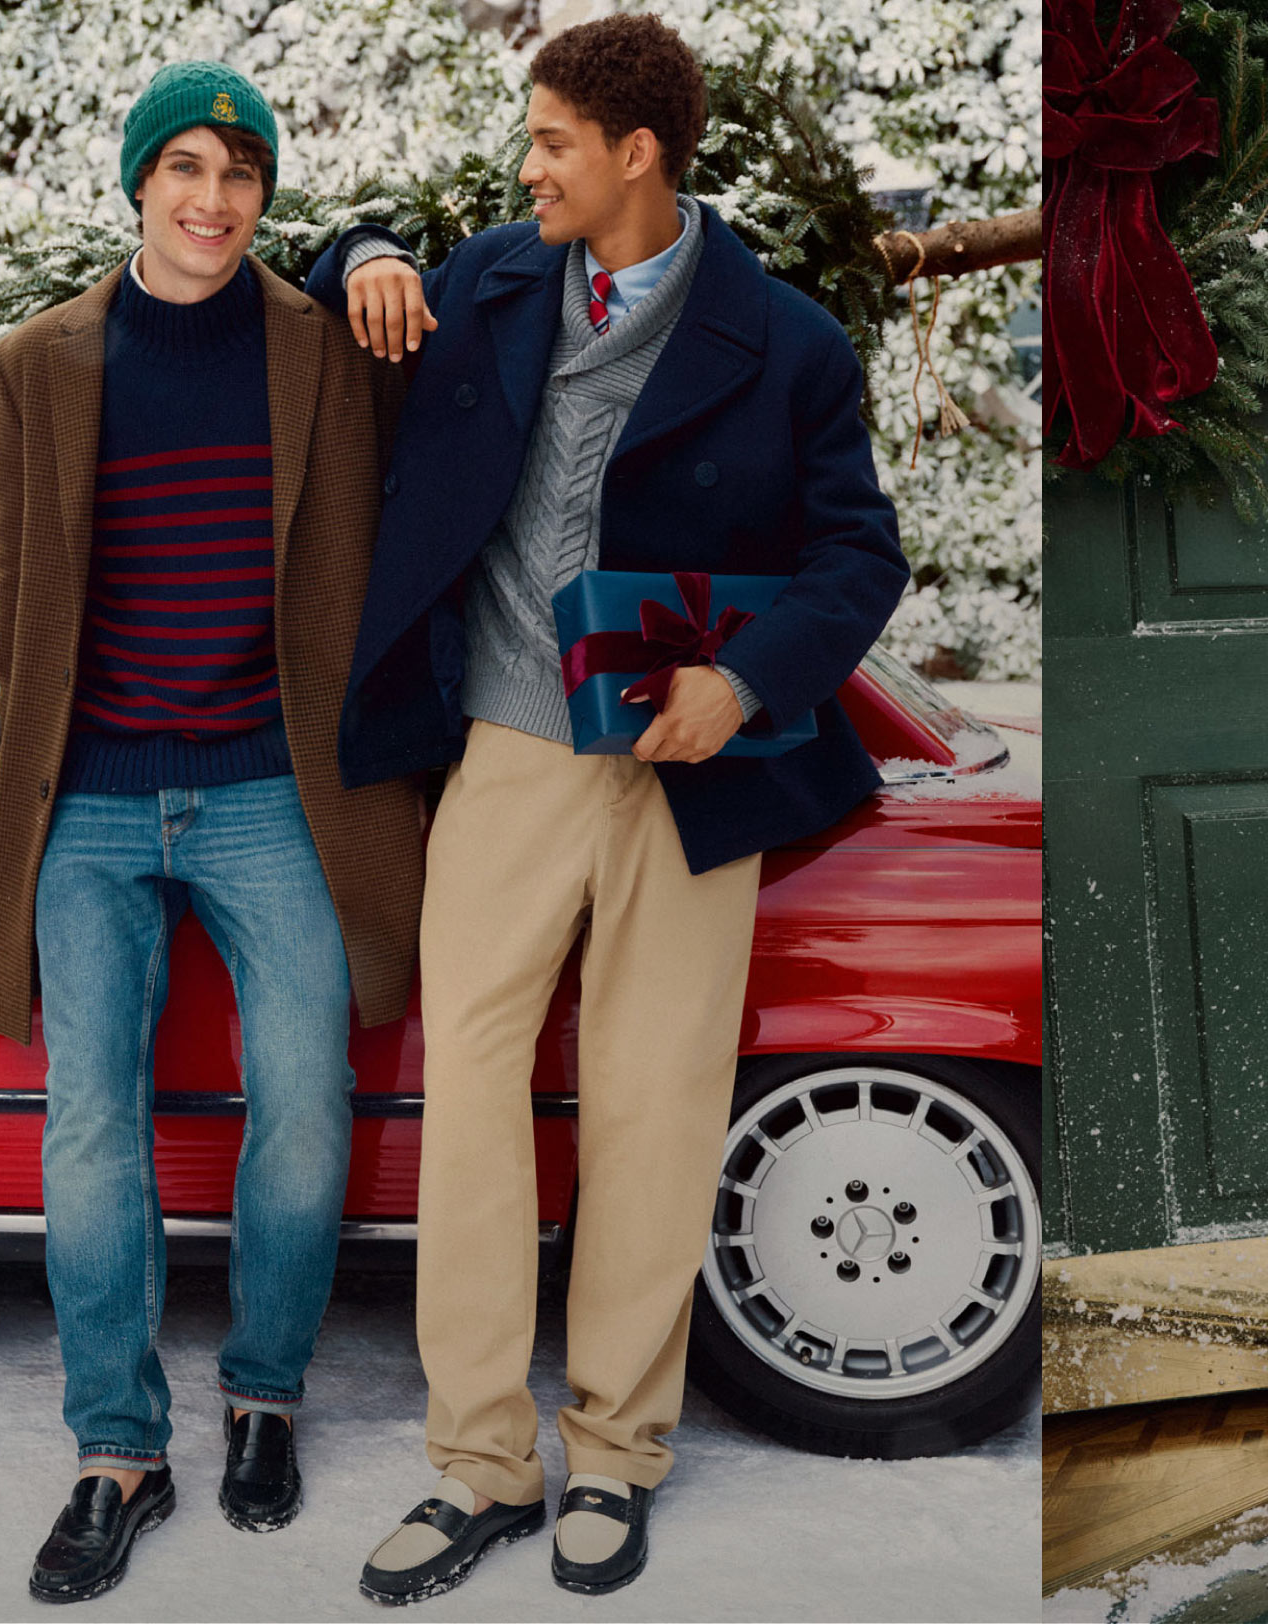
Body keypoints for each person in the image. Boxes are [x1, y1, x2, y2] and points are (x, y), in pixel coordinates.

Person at [298, 14, 909, 1602]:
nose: (529, 167)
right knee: (471, 1108)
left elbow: (859, 558)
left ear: (637, 155)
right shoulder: (495, 278)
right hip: (502, 754)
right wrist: (364, 245)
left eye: (553, 141)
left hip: (687, 771)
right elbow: (319, 266)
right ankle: (482, 1465)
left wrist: (749, 682)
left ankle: (620, 1456)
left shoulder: (786, 343)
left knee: (652, 1112)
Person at [0, 61, 423, 1603]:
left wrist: (370, 248)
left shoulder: (327, 351)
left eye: (241, 175)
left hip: (269, 787)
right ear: (138, 184)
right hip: (91, 792)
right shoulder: (40, 363)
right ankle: (116, 1447)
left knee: (304, 1093)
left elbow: (445, 301)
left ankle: (263, 1398)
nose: (214, 202)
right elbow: (30, 595)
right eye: (186, 170)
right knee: (88, 1127)